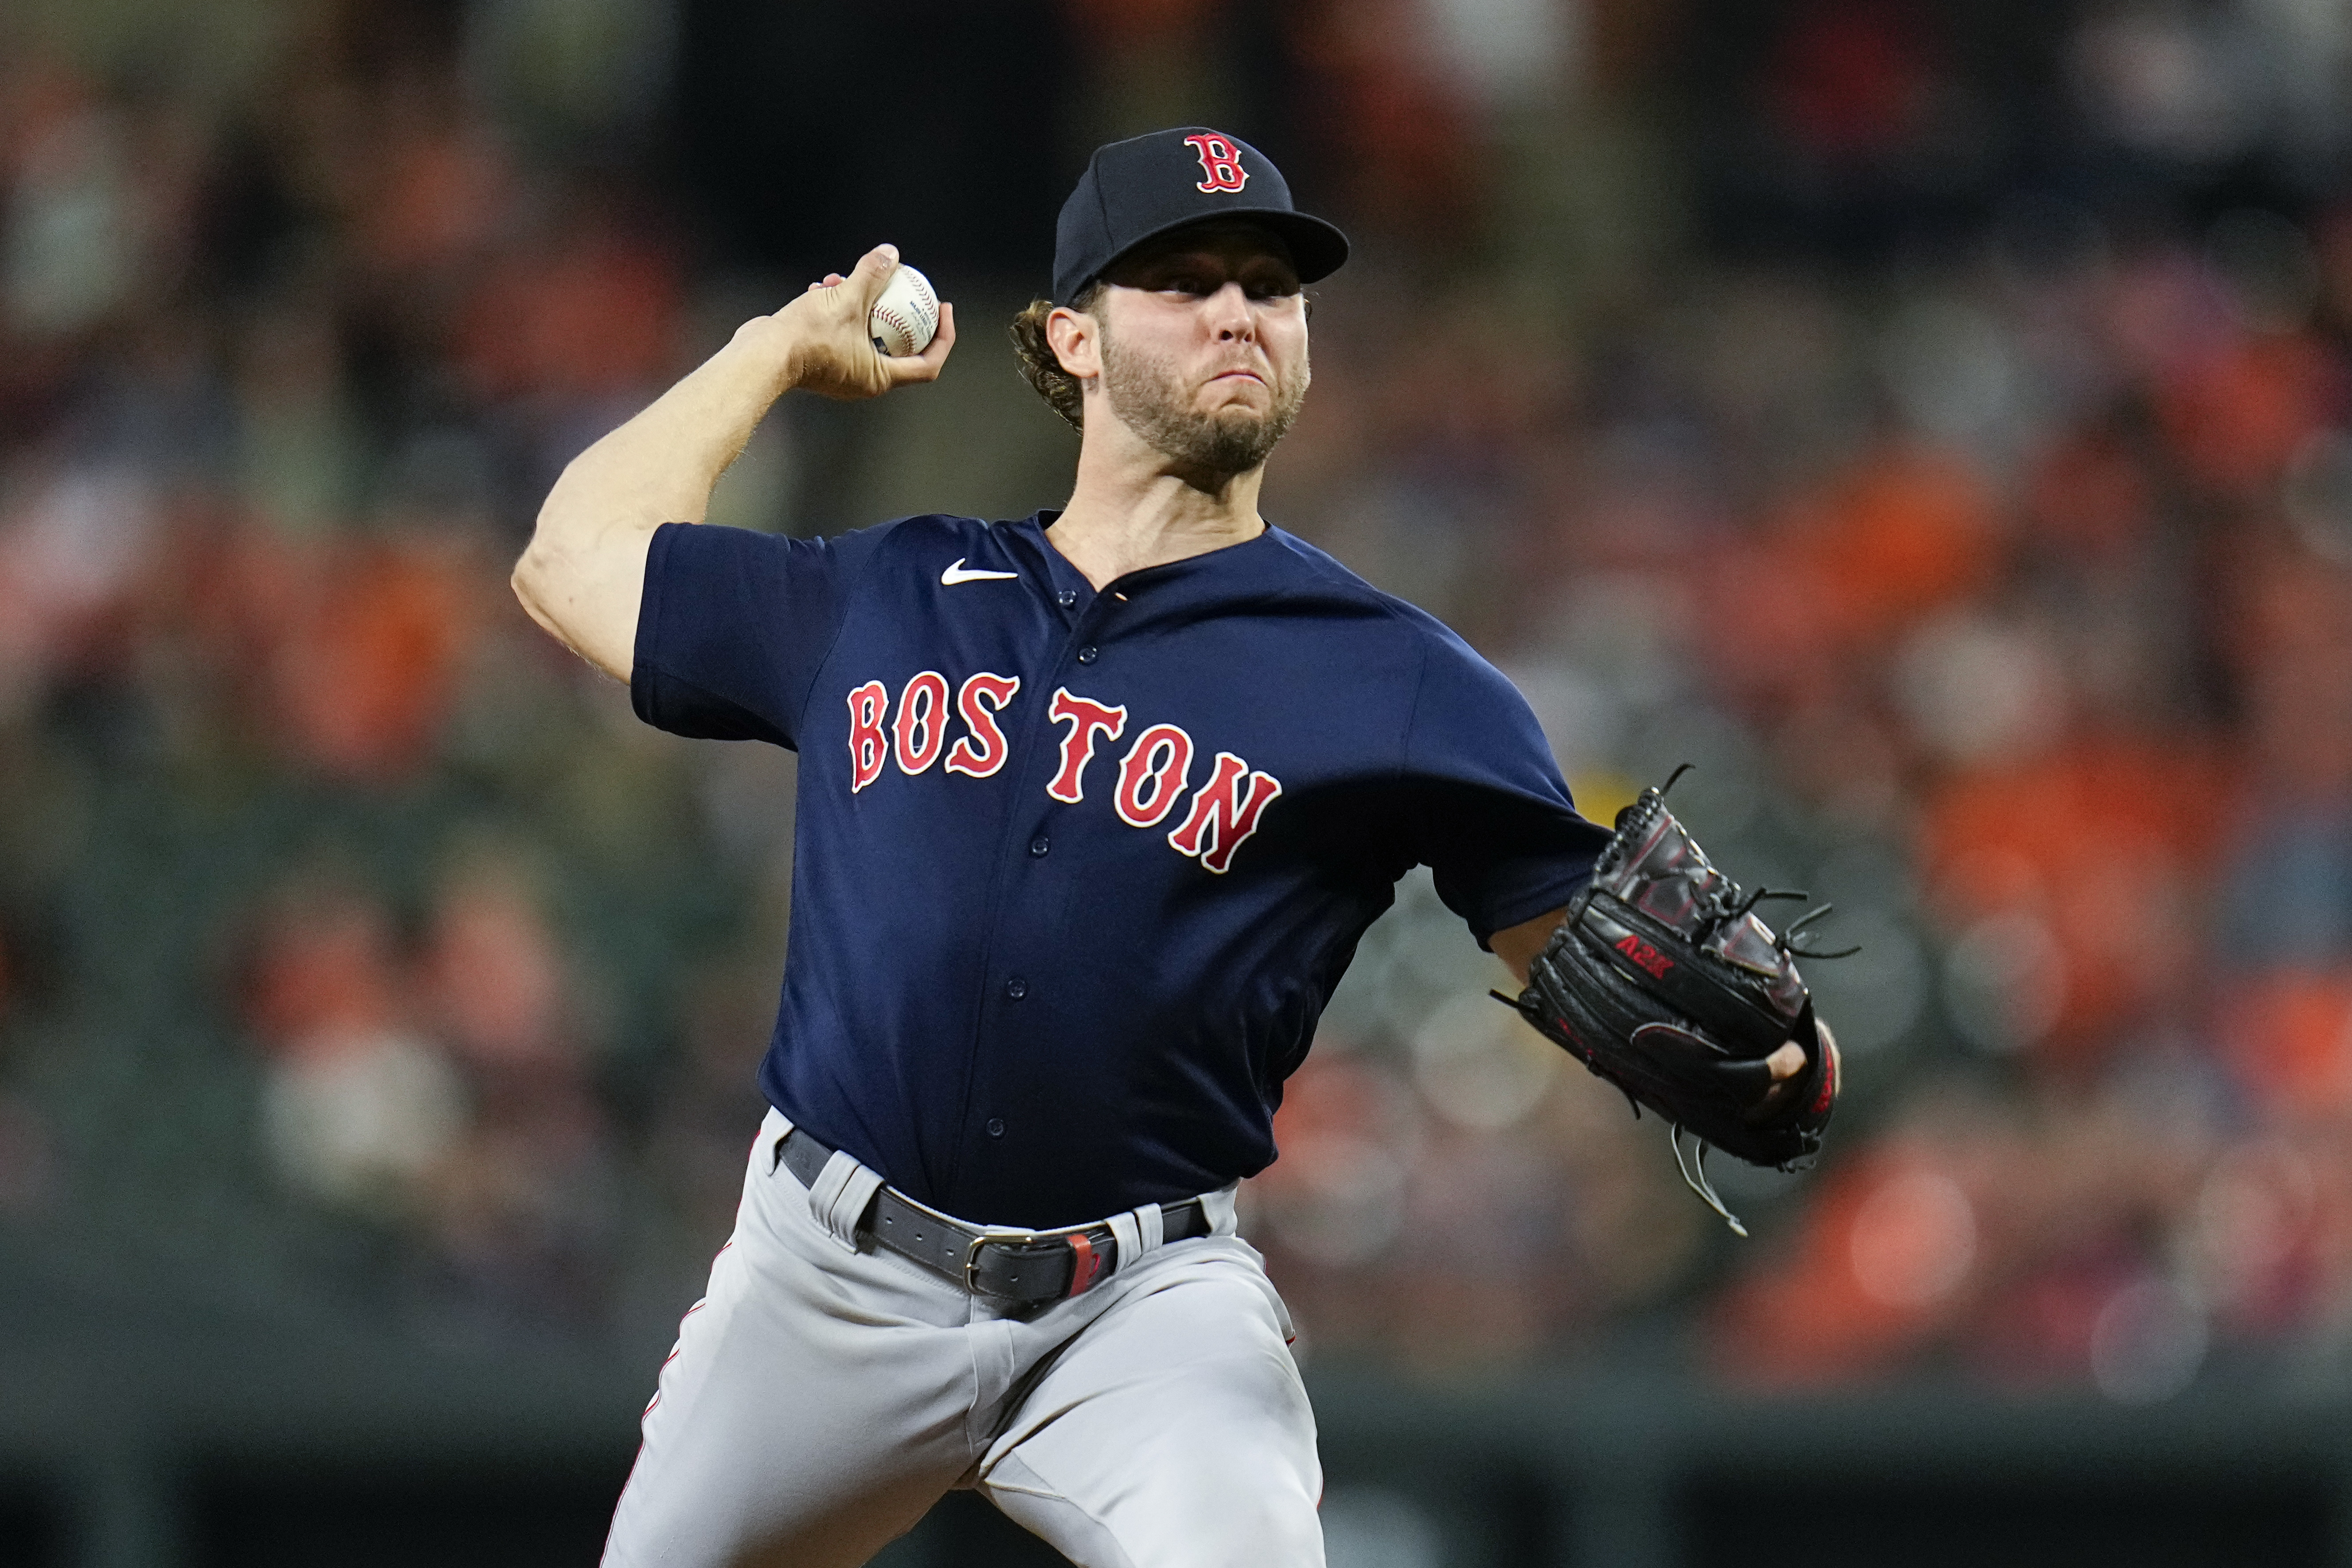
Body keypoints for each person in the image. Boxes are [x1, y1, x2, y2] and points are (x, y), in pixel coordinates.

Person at [513, 126, 1811, 1568]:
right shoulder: (888, 592)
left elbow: (1580, 946)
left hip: (1138, 1312)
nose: (1238, 311)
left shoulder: (1396, 678)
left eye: (1271, 284)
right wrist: (771, 350)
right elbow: (569, 559)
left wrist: (1761, 1053)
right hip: (825, 1281)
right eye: (1183, 279)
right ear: (1070, 335)